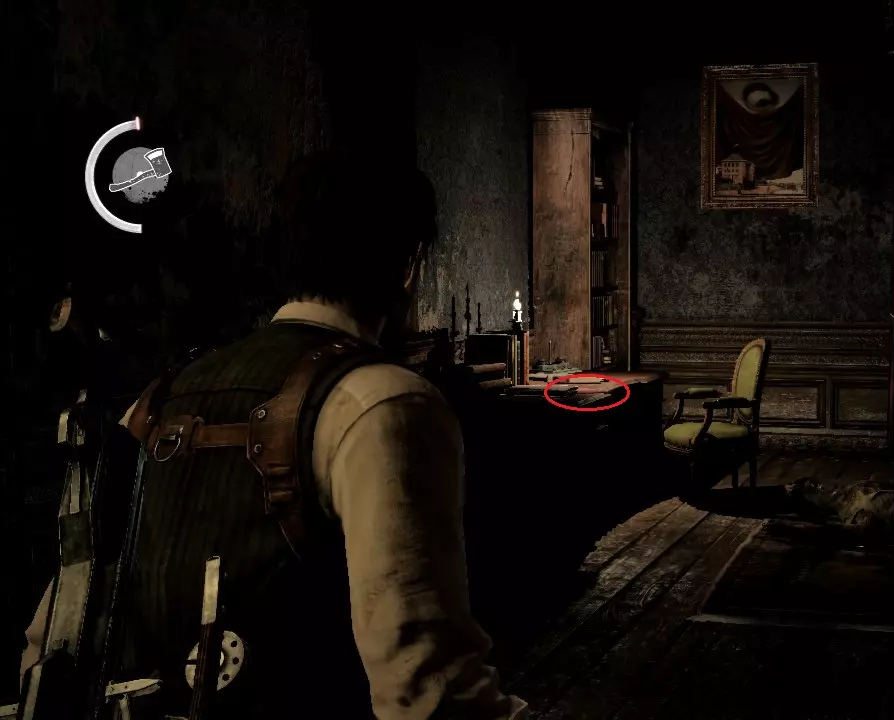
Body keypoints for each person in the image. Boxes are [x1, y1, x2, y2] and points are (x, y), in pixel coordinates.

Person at [20, 150, 527, 719]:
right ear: (409, 264)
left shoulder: (156, 403)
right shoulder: (384, 405)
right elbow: (428, 690)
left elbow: (55, 639)